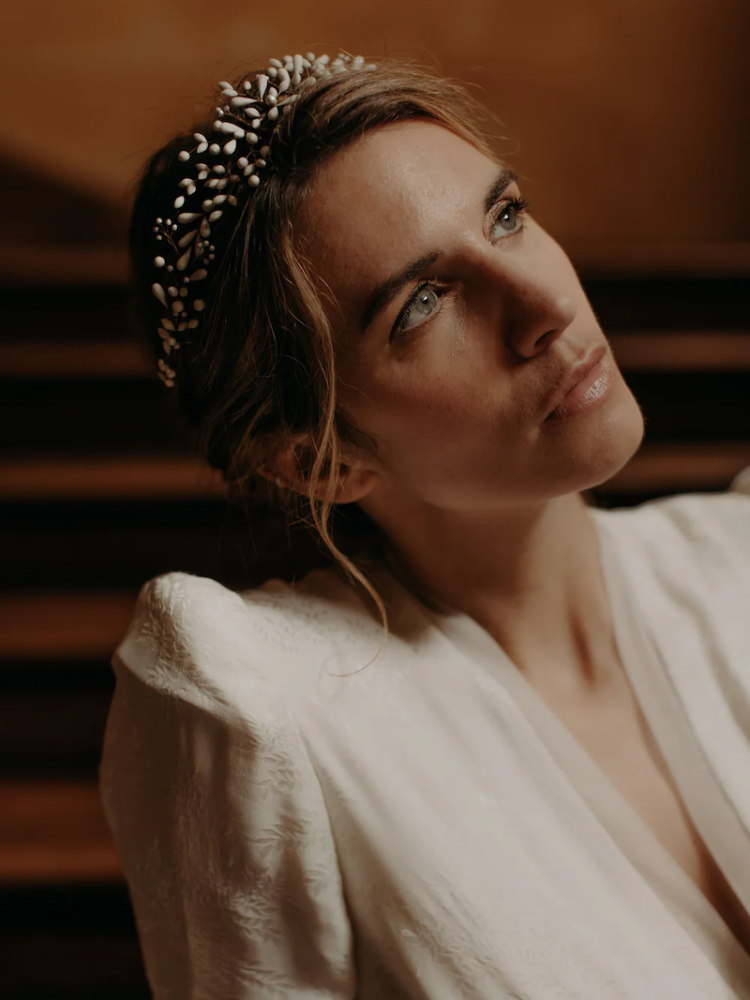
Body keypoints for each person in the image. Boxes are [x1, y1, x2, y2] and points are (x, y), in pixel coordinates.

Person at [99, 51, 750, 998]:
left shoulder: (737, 559)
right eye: (424, 303)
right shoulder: (282, 722)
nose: (546, 307)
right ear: (322, 461)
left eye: (507, 216)